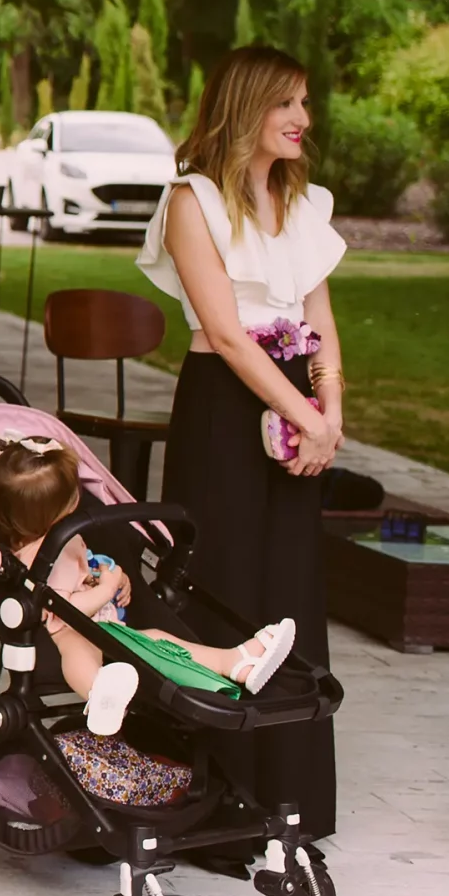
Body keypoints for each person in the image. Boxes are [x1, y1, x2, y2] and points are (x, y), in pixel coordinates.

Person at [137, 44, 347, 847]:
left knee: (290, 583)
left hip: (295, 398)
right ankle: (213, 800)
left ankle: (288, 793)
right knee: (223, 581)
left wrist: (329, 411)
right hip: (226, 407)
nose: (302, 118)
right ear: (246, 105)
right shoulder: (192, 201)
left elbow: (321, 322)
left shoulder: (305, 203)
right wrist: (302, 410)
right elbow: (226, 334)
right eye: (285, 102)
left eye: (304, 103)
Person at [0, 435, 295, 735]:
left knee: (158, 639)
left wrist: (114, 578)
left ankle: (235, 662)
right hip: (68, 629)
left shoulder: (63, 535)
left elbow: (85, 568)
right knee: (78, 654)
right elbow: (60, 607)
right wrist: (105, 589)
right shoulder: (37, 555)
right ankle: (98, 694)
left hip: (105, 624)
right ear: (57, 511)